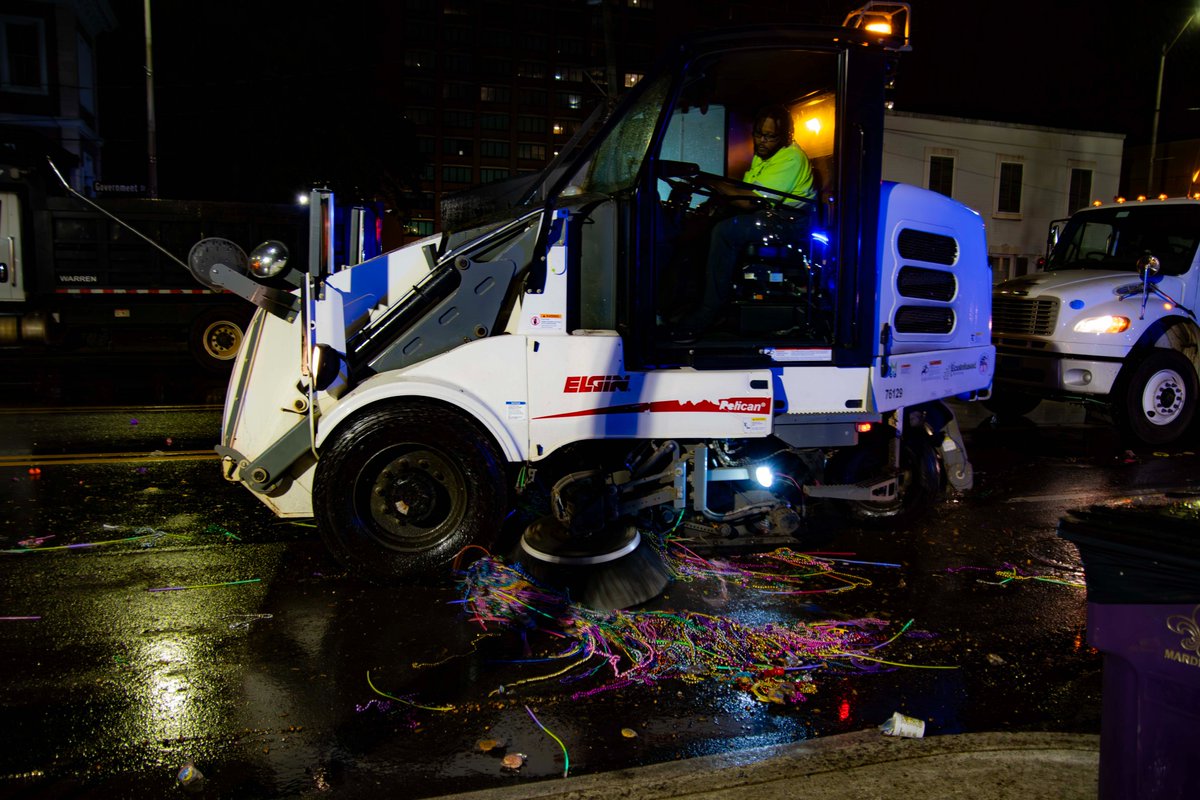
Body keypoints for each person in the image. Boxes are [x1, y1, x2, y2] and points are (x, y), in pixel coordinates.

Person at [674, 105, 816, 337]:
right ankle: (687, 300)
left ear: (786, 136)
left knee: (726, 232)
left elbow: (752, 202)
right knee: (698, 226)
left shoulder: (790, 158)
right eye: (758, 134)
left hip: (788, 224)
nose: (761, 141)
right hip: (768, 217)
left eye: (769, 136)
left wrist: (713, 183)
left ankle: (710, 311)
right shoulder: (764, 156)